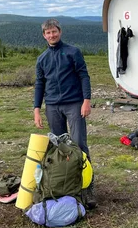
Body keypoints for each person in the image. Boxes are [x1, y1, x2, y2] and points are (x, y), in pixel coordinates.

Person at [33, 18, 96, 208]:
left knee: (79, 145)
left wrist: (86, 101)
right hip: (52, 106)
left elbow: (83, 75)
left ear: (60, 32)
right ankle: (63, 185)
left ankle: (87, 188)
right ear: (44, 36)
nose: (52, 35)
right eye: (48, 33)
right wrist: (37, 109)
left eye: (54, 31)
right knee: (58, 146)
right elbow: (39, 84)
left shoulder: (72, 52)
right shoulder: (42, 59)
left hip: (74, 104)